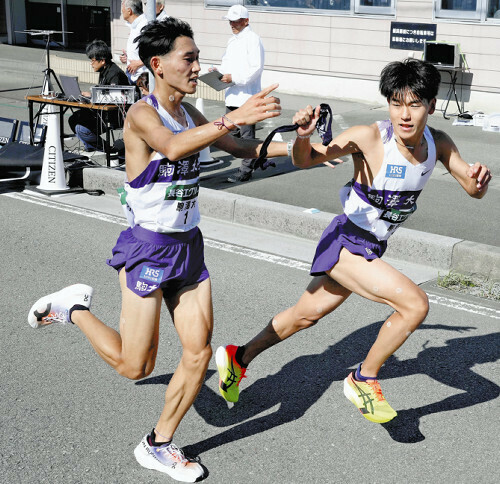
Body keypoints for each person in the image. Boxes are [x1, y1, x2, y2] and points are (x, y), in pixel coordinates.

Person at [28, 17, 288, 483]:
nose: (197, 67)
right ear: (157, 65)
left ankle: (158, 444)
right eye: (188, 59)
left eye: (196, 58)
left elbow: (243, 148)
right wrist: (234, 115)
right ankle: (74, 309)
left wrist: (306, 141)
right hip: (148, 249)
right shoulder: (142, 115)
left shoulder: (193, 113)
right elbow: (170, 149)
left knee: (198, 352)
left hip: (188, 247)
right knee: (136, 365)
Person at [215, 58, 492, 425]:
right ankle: (363, 378)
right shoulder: (370, 137)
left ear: (432, 106)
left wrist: (479, 181)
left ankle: (238, 357)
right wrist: (301, 137)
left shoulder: (438, 142)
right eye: (396, 103)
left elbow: (472, 188)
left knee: (302, 317)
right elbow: (307, 159)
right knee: (414, 305)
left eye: (414, 104)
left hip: (372, 247)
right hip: (346, 242)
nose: (404, 114)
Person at [218, 4, 265, 183]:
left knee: (246, 135)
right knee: (229, 132)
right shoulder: (233, 40)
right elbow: (227, 64)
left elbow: (255, 69)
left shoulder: (252, 39)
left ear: (246, 21)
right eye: (230, 21)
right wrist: (219, 72)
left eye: (236, 21)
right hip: (233, 94)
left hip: (246, 96)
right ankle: (257, 158)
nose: (232, 24)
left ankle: (246, 169)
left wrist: (233, 78)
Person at [68, 39, 129, 152]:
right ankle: (92, 147)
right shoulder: (104, 70)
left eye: (93, 60)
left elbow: (113, 97)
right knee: (73, 119)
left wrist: (93, 98)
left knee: (81, 128)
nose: (91, 64)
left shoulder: (114, 74)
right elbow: (104, 93)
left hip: (112, 115)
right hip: (102, 111)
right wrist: (91, 95)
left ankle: (108, 151)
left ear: (102, 61)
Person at [119, 0, 148, 87]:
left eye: (123, 9)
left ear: (129, 11)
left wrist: (139, 63)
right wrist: (128, 57)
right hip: (134, 76)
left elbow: (157, 51)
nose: (122, 11)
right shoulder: (134, 26)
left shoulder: (145, 25)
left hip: (144, 79)